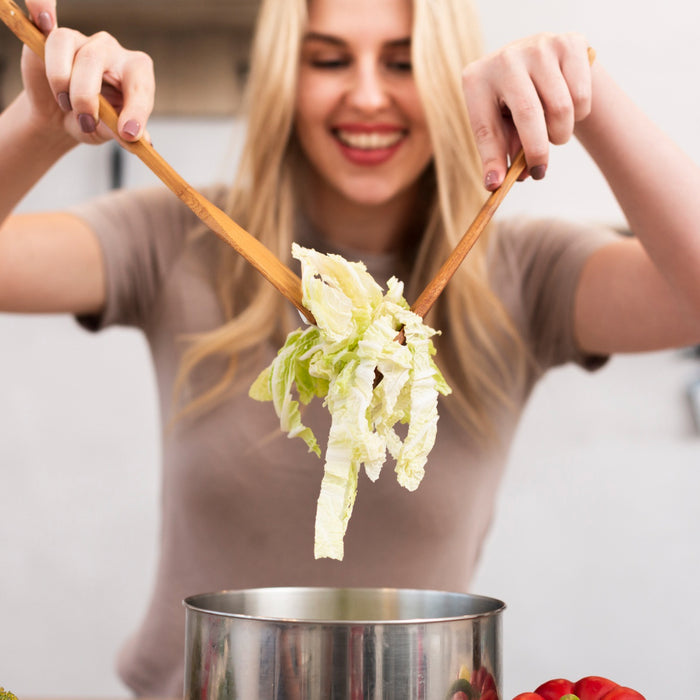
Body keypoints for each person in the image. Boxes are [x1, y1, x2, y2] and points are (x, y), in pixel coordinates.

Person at [2, 0, 699, 695]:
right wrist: (38, 123)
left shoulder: (522, 271)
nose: (366, 95)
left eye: (402, 61)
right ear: (284, 75)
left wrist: (590, 94)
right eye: (329, 59)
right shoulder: (171, 238)